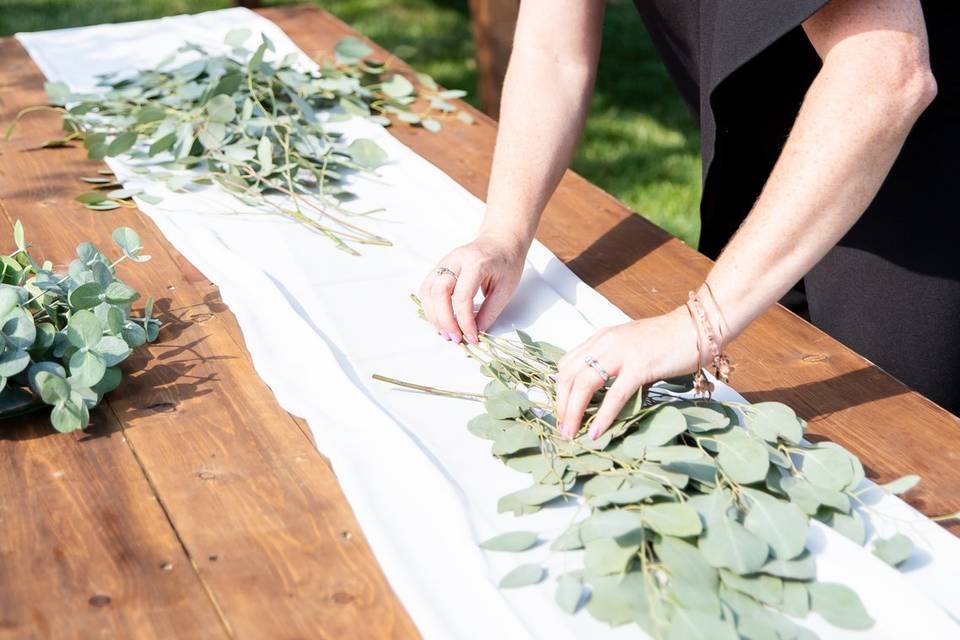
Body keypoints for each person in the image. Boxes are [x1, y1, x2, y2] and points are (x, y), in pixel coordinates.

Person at [419, 0, 958, 438]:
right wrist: (503, 237)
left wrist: (697, 324)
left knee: (897, 465)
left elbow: (887, 75)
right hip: (757, 178)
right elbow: (552, 50)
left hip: (913, 192)